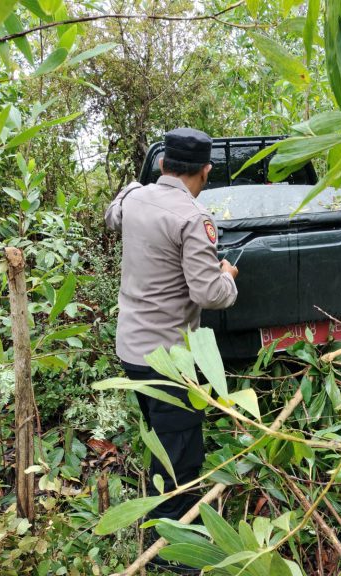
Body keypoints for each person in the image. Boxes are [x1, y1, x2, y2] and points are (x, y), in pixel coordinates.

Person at [105, 127, 239, 524]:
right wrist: (228, 276)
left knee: (163, 437)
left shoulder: (134, 200)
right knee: (179, 454)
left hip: (132, 350)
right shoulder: (193, 217)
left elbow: (113, 216)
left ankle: (165, 520)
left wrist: (132, 187)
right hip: (169, 362)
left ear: (163, 165)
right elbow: (209, 294)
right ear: (206, 171)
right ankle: (171, 547)